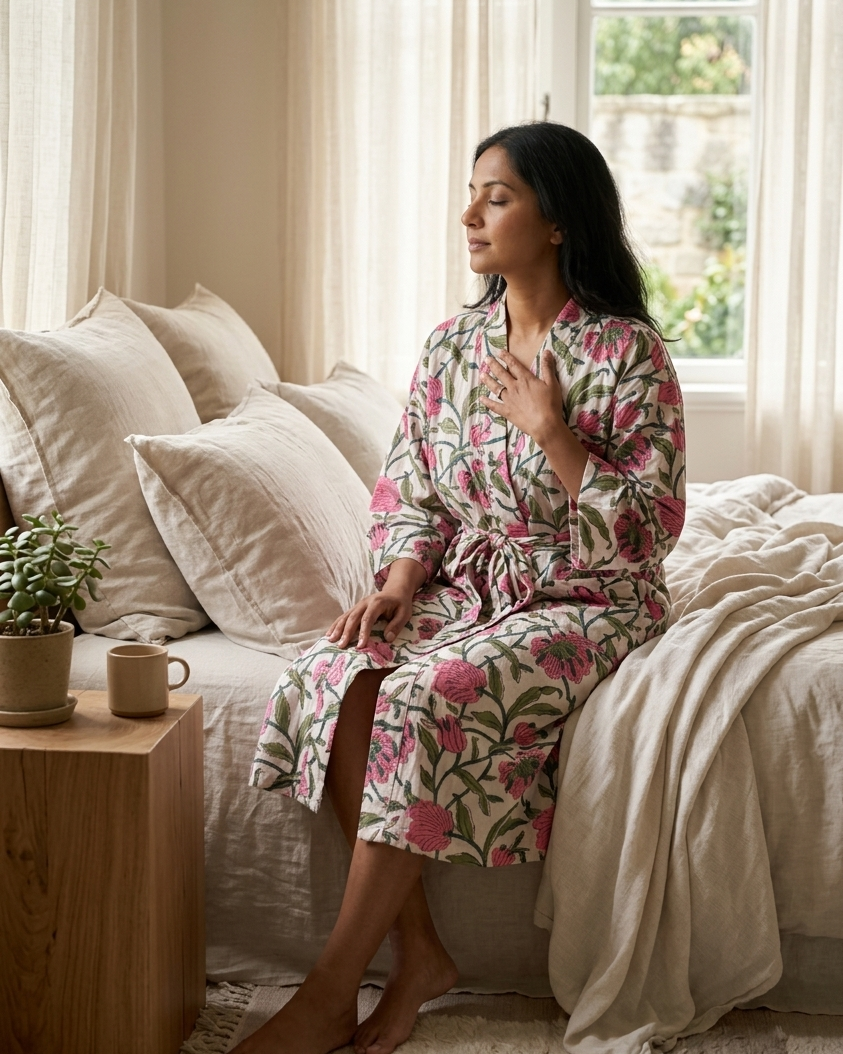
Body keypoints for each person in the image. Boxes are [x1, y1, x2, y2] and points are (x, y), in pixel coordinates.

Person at [236, 121, 686, 1054]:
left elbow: (651, 530)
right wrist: (400, 582)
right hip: (467, 582)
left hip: (585, 598)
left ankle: (328, 989)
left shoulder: (625, 351)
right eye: (472, 192)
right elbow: (411, 484)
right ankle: (419, 955)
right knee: (337, 668)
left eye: (497, 195)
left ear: (556, 220)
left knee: (423, 696)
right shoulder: (453, 346)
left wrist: (553, 432)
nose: (469, 214)